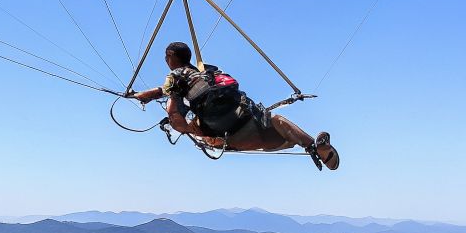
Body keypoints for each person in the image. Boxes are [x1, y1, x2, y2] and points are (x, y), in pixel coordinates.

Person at [126, 41, 339, 169]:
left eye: (166, 56)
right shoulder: (206, 73)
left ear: (171, 56)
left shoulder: (175, 77)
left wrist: (185, 126)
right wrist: (143, 95)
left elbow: (166, 98)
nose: (165, 59)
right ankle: (313, 145)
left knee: (178, 119)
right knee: (277, 122)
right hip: (243, 116)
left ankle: (313, 146)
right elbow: (157, 92)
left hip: (218, 129)